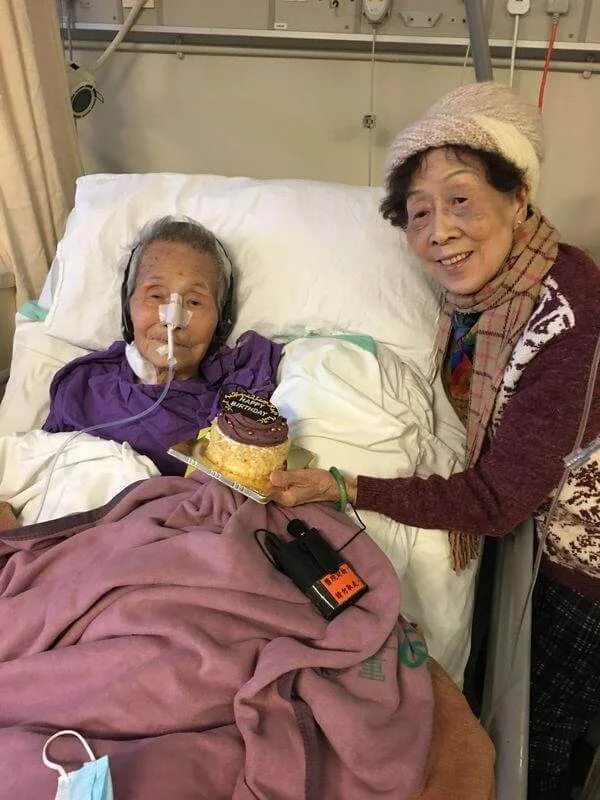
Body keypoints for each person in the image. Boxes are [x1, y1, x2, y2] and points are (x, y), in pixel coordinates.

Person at [269, 82, 600, 800]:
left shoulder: (567, 311)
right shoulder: (475, 304)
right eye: (419, 213)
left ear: (519, 197)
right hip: (545, 528)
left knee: (544, 739)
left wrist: (346, 485)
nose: (439, 231)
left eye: (460, 200)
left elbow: (498, 499)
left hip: (587, 571)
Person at [43, 216, 282, 475]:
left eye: (194, 302)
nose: (172, 320)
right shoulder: (81, 385)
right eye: (156, 295)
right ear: (128, 306)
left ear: (220, 320)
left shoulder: (233, 407)